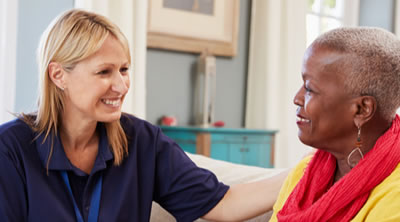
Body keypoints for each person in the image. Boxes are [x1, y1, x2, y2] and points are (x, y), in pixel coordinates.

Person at [0, 9, 287, 222]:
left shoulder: (143, 141)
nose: (122, 85)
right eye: (104, 72)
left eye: (124, 70)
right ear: (59, 75)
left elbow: (225, 204)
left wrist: (311, 170)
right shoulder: (10, 149)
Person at [269, 27, 400, 222]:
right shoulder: (304, 171)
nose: (297, 98)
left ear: (362, 109)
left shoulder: (395, 194)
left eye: (309, 89)